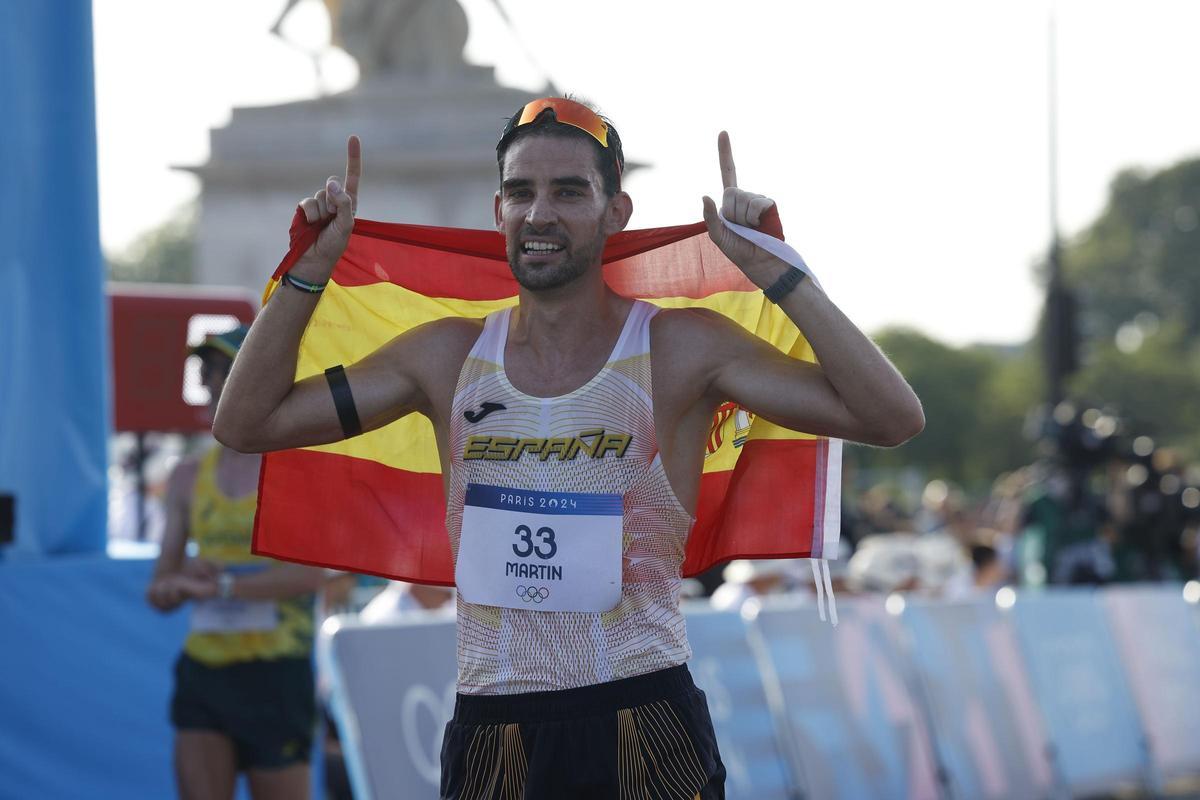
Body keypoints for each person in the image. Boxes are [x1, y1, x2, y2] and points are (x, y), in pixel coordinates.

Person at [214, 97, 924, 798]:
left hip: (643, 718)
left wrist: (779, 273)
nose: (539, 214)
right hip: (495, 731)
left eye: (568, 191)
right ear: (498, 212)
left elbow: (890, 416)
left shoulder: (679, 348)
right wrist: (311, 270)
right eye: (520, 192)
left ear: (616, 212)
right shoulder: (445, 357)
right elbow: (247, 422)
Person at [146, 325, 326, 800]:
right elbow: (159, 587)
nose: (208, 383)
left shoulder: (296, 468)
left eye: (221, 370)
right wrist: (176, 586)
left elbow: (310, 575)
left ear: (256, 376)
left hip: (276, 673)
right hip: (205, 670)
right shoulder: (186, 476)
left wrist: (223, 587)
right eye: (205, 371)